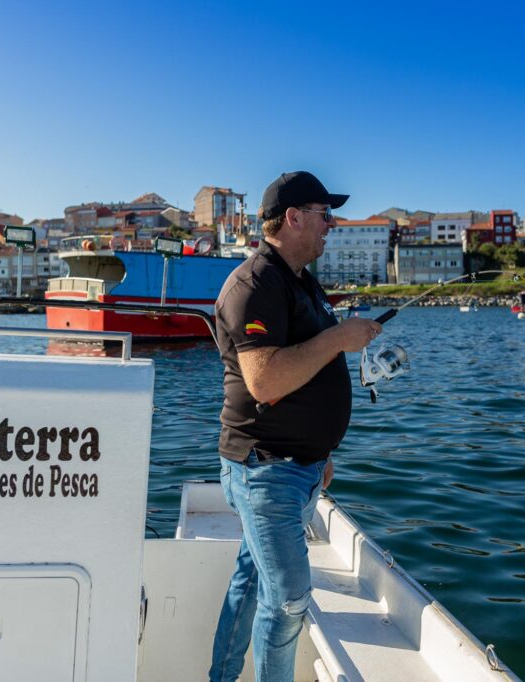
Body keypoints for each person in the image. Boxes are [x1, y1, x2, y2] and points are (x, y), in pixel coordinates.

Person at [208, 171, 382, 681]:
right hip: (265, 468)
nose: (333, 225)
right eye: (326, 215)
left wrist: (321, 449)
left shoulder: (302, 282)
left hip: (298, 467)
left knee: (251, 580)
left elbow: (309, 372)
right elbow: (263, 381)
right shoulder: (254, 283)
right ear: (293, 218)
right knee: (287, 600)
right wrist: (339, 338)